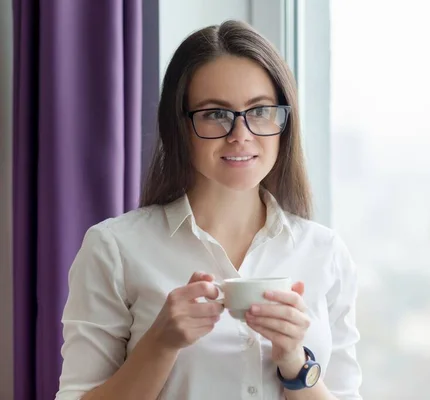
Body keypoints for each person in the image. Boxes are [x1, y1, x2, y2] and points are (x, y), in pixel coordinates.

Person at [56, 20, 362, 400]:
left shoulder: (325, 253)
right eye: (216, 114)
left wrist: (295, 365)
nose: (241, 134)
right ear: (180, 126)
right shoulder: (114, 248)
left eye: (260, 110)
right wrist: (160, 344)